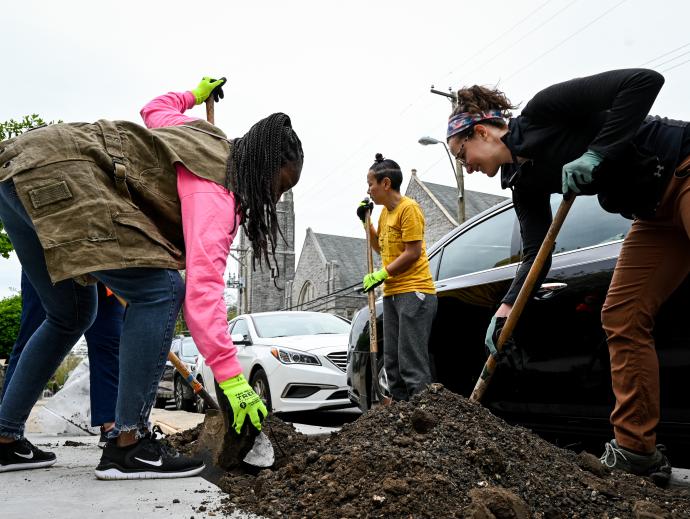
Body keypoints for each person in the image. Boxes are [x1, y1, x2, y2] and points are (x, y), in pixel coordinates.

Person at [0, 76, 303, 479]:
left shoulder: (198, 135)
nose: (275, 198)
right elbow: (202, 294)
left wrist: (192, 95)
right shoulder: (216, 194)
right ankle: (130, 443)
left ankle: (4, 440)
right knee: (161, 291)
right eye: (278, 186)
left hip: (20, 171)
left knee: (70, 315)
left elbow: (154, 110)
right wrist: (231, 378)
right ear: (260, 168)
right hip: (61, 179)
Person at [445, 68, 690, 486]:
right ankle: (637, 452)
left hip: (681, 166)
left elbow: (645, 81)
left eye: (460, 154)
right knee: (622, 316)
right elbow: (537, 253)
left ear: (482, 131)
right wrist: (507, 306)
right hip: (652, 216)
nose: (465, 168)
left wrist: (598, 152)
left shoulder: (545, 109)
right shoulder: (524, 184)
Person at [1, 273, 123, 447]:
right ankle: (7, 432)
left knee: (110, 339)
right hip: (50, 256)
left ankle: (112, 425)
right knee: (34, 337)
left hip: (103, 261)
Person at [357, 154, 437, 401]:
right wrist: (366, 223)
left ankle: (423, 418)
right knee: (392, 364)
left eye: (371, 183)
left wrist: (382, 273)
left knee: (410, 362)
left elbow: (412, 253)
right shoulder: (384, 215)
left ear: (386, 184)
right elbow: (382, 249)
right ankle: (403, 419)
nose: (368, 189)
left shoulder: (409, 209)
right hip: (392, 294)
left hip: (414, 292)